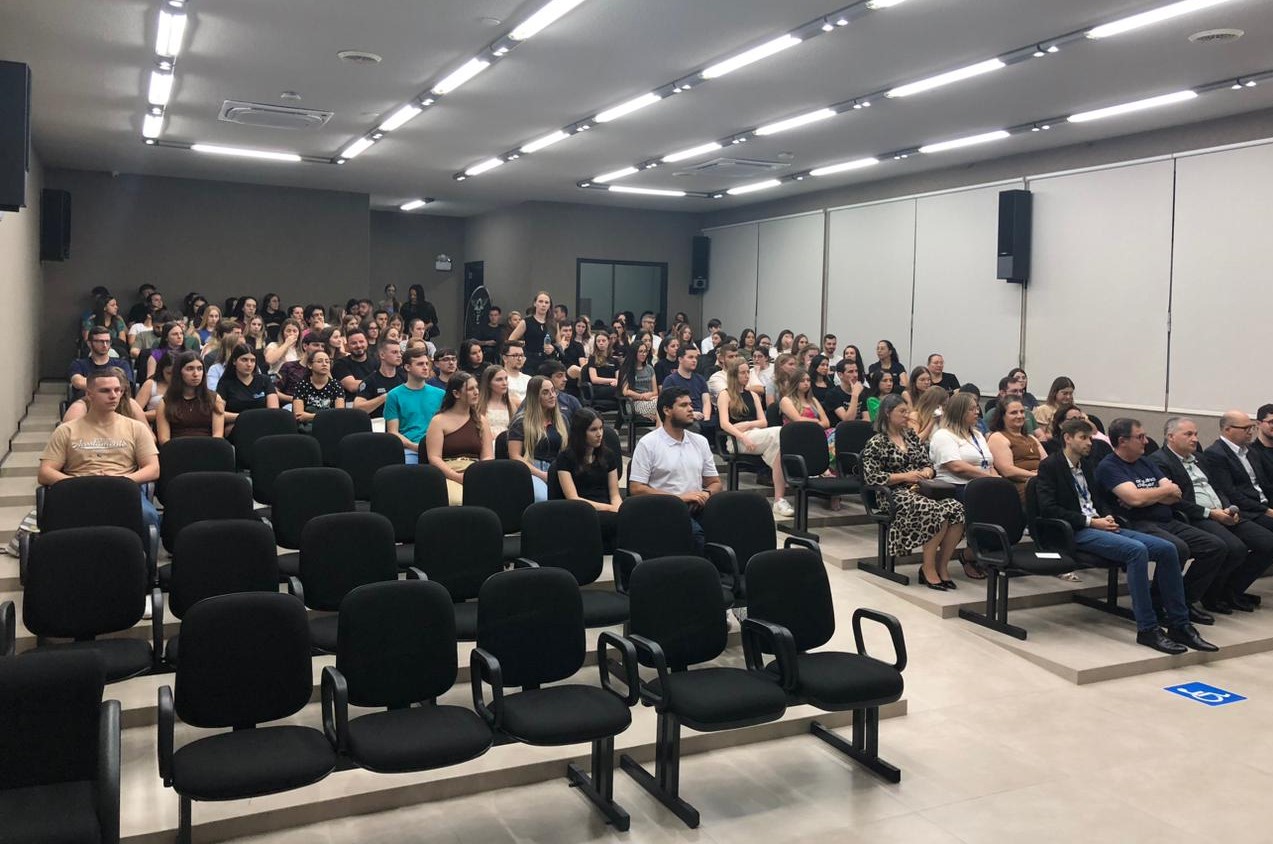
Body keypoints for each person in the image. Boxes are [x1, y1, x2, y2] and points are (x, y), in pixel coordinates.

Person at [1036, 418, 1214, 654]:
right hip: (1075, 530)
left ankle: (1179, 624)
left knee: (1168, 549)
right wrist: (1091, 521)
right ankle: (1147, 628)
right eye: (1083, 438)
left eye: (1090, 438)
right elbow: (1048, 509)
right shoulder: (1051, 466)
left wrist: (1108, 515)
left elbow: (1098, 500)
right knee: (1136, 550)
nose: (1090, 443)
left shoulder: (1087, 465)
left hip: (1101, 524)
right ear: (1067, 439)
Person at [1095, 417, 1226, 625]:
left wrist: (1144, 496)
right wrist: (1155, 494)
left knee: (1215, 547)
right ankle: (1160, 604)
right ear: (1122, 441)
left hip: (1167, 519)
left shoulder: (1146, 461)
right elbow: (1138, 498)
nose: (1146, 441)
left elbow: (1175, 494)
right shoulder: (1109, 466)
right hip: (1136, 524)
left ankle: (1183, 600)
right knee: (1178, 548)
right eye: (1140, 437)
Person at [1151, 417, 1273, 613]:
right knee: (1233, 548)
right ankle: (1189, 598)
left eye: (1196, 434)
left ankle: (1225, 591)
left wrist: (1228, 507)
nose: (1194, 439)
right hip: (1196, 516)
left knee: (1268, 543)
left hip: (1222, 511)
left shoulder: (1200, 458)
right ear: (1170, 436)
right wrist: (1211, 513)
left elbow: (1218, 488)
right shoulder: (1159, 461)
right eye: (1188, 434)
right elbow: (1175, 500)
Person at [860, 394, 966, 590]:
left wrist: (927, 471)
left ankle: (942, 566)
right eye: (902, 412)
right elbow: (871, 477)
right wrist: (905, 476)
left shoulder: (911, 437)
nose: (907, 415)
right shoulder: (877, 442)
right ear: (887, 413)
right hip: (892, 493)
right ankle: (928, 568)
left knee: (956, 508)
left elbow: (928, 464)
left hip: (920, 489)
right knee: (935, 510)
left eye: (907, 411)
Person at [39, 370, 161, 533]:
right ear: (89, 394)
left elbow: (153, 469)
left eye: (117, 390)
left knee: (147, 517)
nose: (113, 396)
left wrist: (122, 480)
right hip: (78, 490)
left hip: (122, 489)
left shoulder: (136, 428)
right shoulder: (66, 430)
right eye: (105, 391)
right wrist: (79, 483)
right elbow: (45, 473)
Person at [628, 388, 721, 551]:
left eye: (690, 404)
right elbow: (636, 488)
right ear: (667, 410)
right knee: (696, 536)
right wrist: (679, 498)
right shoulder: (648, 443)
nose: (691, 409)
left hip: (698, 506)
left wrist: (706, 494)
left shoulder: (700, 441)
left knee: (731, 526)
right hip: (664, 509)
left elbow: (715, 482)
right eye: (684, 405)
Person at [718, 360, 791, 516]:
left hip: (756, 434)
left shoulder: (753, 395)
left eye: (748, 372)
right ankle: (779, 499)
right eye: (743, 372)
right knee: (780, 433)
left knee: (779, 446)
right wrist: (742, 436)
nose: (747, 375)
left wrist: (746, 424)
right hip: (736, 439)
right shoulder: (725, 394)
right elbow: (724, 424)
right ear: (734, 375)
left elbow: (763, 422)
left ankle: (779, 500)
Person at [555, 409, 623, 545]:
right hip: (581, 510)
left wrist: (619, 509)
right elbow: (573, 498)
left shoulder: (608, 455)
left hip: (607, 509)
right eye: (593, 430)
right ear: (580, 433)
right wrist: (609, 508)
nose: (599, 434)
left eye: (601, 428)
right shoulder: (565, 458)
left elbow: (615, 494)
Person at [424, 372, 493, 505]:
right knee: (457, 500)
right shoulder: (438, 421)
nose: (476, 392)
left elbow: (488, 456)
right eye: (470, 389)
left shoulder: (481, 420)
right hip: (449, 473)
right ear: (456, 394)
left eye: (477, 387)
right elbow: (434, 457)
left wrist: (477, 474)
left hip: (476, 472)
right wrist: (456, 476)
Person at [1205, 410, 1273, 529]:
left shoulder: (1251, 451)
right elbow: (1231, 493)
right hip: (1247, 512)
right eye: (1245, 428)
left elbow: (1265, 484)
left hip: (1265, 505)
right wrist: (1267, 510)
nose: (1250, 432)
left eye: (1251, 427)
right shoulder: (1215, 454)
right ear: (1228, 429)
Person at [508, 375, 567, 502]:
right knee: (542, 498)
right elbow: (515, 456)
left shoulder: (562, 420)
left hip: (557, 469)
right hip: (531, 470)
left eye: (553, 391)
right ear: (535, 397)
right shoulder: (520, 422)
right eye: (545, 392)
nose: (552, 395)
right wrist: (542, 475)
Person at [929, 392, 997, 500]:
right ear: (959, 412)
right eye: (971, 409)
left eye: (977, 408)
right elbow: (956, 467)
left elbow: (989, 465)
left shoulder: (978, 435)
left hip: (984, 484)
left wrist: (998, 482)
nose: (977, 412)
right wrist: (991, 478)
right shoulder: (943, 435)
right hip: (958, 487)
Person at [385, 346, 446, 464]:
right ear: (407, 367)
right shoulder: (394, 395)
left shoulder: (441, 394)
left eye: (427, 364)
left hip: (439, 449)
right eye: (420, 364)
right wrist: (415, 447)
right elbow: (393, 432)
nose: (425, 367)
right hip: (410, 450)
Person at [156, 352, 226, 444]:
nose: (196, 374)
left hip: (208, 448)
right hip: (177, 448)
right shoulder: (166, 402)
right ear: (179, 372)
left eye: (200, 369)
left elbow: (218, 435)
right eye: (190, 369)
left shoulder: (215, 399)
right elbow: (164, 439)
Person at [215, 344, 278, 437]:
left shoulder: (265, 380)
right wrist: (245, 417)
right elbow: (219, 413)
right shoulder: (225, 383)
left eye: (252, 360)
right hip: (237, 426)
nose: (249, 364)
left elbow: (274, 411)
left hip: (263, 424)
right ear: (234, 361)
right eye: (244, 360)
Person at [987, 397, 1042, 504]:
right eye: (1014, 413)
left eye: (1022, 412)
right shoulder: (998, 437)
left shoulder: (1032, 438)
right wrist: (1035, 476)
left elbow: (1047, 463)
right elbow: (1007, 471)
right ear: (1002, 416)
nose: (1020, 416)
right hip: (1018, 488)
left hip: (1040, 482)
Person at [71, 326, 135, 394]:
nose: (105, 345)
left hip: (115, 399)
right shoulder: (79, 364)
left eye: (107, 341)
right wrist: (111, 385)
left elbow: (125, 385)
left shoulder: (122, 364)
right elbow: (78, 382)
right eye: (100, 341)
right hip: (88, 399)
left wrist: (94, 385)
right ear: (89, 344)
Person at [354, 340, 407, 421]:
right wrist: (384, 397)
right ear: (382, 355)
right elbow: (358, 408)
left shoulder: (405, 378)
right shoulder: (370, 381)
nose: (399, 355)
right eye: (394, 352)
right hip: (378, 423)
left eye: (400, 352)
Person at [661, 345, 711, 425]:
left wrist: (706, 419)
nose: (694, 360)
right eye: (690, 357)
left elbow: (706, 402)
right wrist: (691, 414)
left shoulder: (700, 379)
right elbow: (669, 406)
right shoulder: (670, 380)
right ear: (680, 359)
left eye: (696, 358)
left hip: (701, 418)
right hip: (682, 420)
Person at [506, 290, 555, 372]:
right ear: (535, 303)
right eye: (540, 301)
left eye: (546, 302)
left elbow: (558, 343)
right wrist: (521, 347)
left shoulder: (552, 323)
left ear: (549, 305)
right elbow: (511, 340)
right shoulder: (526, 321)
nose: (543, 305)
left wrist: (553, 348)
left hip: (548, 360)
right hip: (530, 361)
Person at [620, 341, 659, 423]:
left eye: (645, 351)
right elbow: (625, 392)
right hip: (634, 403)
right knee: (663, 406)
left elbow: (655, 391)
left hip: (650, 400)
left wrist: (649, 396)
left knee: (666, 404)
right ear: (634, 353)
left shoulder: (650, 369)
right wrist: (641, 396)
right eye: (640, 351)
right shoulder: (627, 369)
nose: (643, 354)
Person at [333, 328, 375, 401]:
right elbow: (352, 386)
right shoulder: (340, 364)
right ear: (347, 346)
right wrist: (378, 383)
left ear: (367, 342)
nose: (358, 345)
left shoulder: (377, 361)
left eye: (361, 342)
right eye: (354, 343)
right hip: (351, 404)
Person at [477, 365, 519, 437]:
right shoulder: (478, 404)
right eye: (499, 380)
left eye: (506, 378)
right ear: (488, 383)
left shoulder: (512, 404)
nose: (504, 383)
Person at [136, 352, 175, 424]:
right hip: (151, 424)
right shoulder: (150, 384)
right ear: (161, 370)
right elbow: (134, 411)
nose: (173, 377)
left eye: (176, 373)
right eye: (169, 373)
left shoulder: (185, 385)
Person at [583, 333, 619, 409]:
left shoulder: (615, 360)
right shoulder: (592, 358)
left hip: (612, 387)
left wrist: (616, 381)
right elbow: (594, 379)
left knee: (622, 388)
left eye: (603, 341)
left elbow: (618, 378)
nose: (601, 343)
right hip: (598, 388)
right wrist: (612, 380)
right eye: (598, 341)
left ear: (608, 342)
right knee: (619, 390)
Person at [824, 358, 866, 423]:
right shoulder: (832, 394)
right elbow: (848, 421)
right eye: (850, 372)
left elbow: (867, 419)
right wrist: (855, 395)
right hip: (839, 428)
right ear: (840, 375)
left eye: (856, 371)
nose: (855, 375)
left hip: (859, 427)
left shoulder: (861, 391)